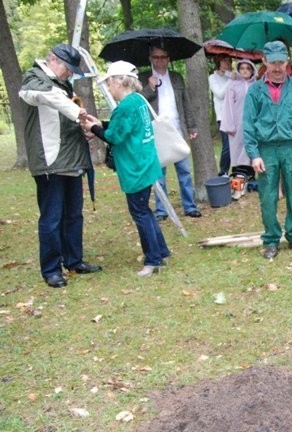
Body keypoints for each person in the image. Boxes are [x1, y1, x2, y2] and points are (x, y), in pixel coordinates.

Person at [19, 43, 102, 288]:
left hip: (72, 160)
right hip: (50, 162)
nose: (71, 73)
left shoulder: (62, 84)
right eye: (68, 68)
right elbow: (46, 98)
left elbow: (63, 117)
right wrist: (78, 113)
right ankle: (51, 270)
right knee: (52, 218)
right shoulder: (34, 79)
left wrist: (84, 130)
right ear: (53, 60)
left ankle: (74, 261)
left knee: (74, 215)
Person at [82, 61, 170, 277]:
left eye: (109, 83)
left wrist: (94, 127)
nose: (109, 88)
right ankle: (162, 252)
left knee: (140, 212)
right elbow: (124, 127)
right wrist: (100, 124)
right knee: (145, 211)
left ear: (119, 81)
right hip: (145, 163)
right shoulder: (137, 101)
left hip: (135, 167)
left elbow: (115, 136)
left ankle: (153, 260)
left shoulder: (125, 106)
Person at [243, 42, 292, 260]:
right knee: (268, 195)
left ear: (287, 62)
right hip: (266, 149)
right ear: (264, 61)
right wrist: (254, 154)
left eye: (280, 62)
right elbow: (248, 124)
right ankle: (271, 239)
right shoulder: (255, 90)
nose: (276, 67)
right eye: (272, 62)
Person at [139, 46, 202, 219]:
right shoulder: (144, 78)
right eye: (156, 57)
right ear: (151, 58)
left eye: (163, 57)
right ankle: (162, 210)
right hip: (156, 131)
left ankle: (190, 207)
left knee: (185, 171)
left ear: (168, 59)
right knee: (159, 174)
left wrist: (192, 126)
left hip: (176, 129)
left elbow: (186, 103)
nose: (159, 60)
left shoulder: (176, 78)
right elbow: (138, 103)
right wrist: (149, 88)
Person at [220, 59, 257, 170]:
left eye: (248, 68)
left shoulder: (256, 86)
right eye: (242, 68)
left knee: (250, 148)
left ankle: (251, 176)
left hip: (253, 123)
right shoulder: (233, 85)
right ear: (238, 70)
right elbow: (228, 106)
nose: (245, 71)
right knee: (237, 149)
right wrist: (230, 126)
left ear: (252, 70)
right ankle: (238, 175)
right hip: (237, 123)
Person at [208, 54, 233, 176]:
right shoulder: (213, 77)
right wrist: (230, 80)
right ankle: (223, 171)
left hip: (235, 115)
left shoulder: (231, 75)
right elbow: (220, 94)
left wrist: (230, 77)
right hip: (223, 116)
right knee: (227, 146)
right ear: (218, 61)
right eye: (224, 60)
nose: (226, 63)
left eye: (228, 60)